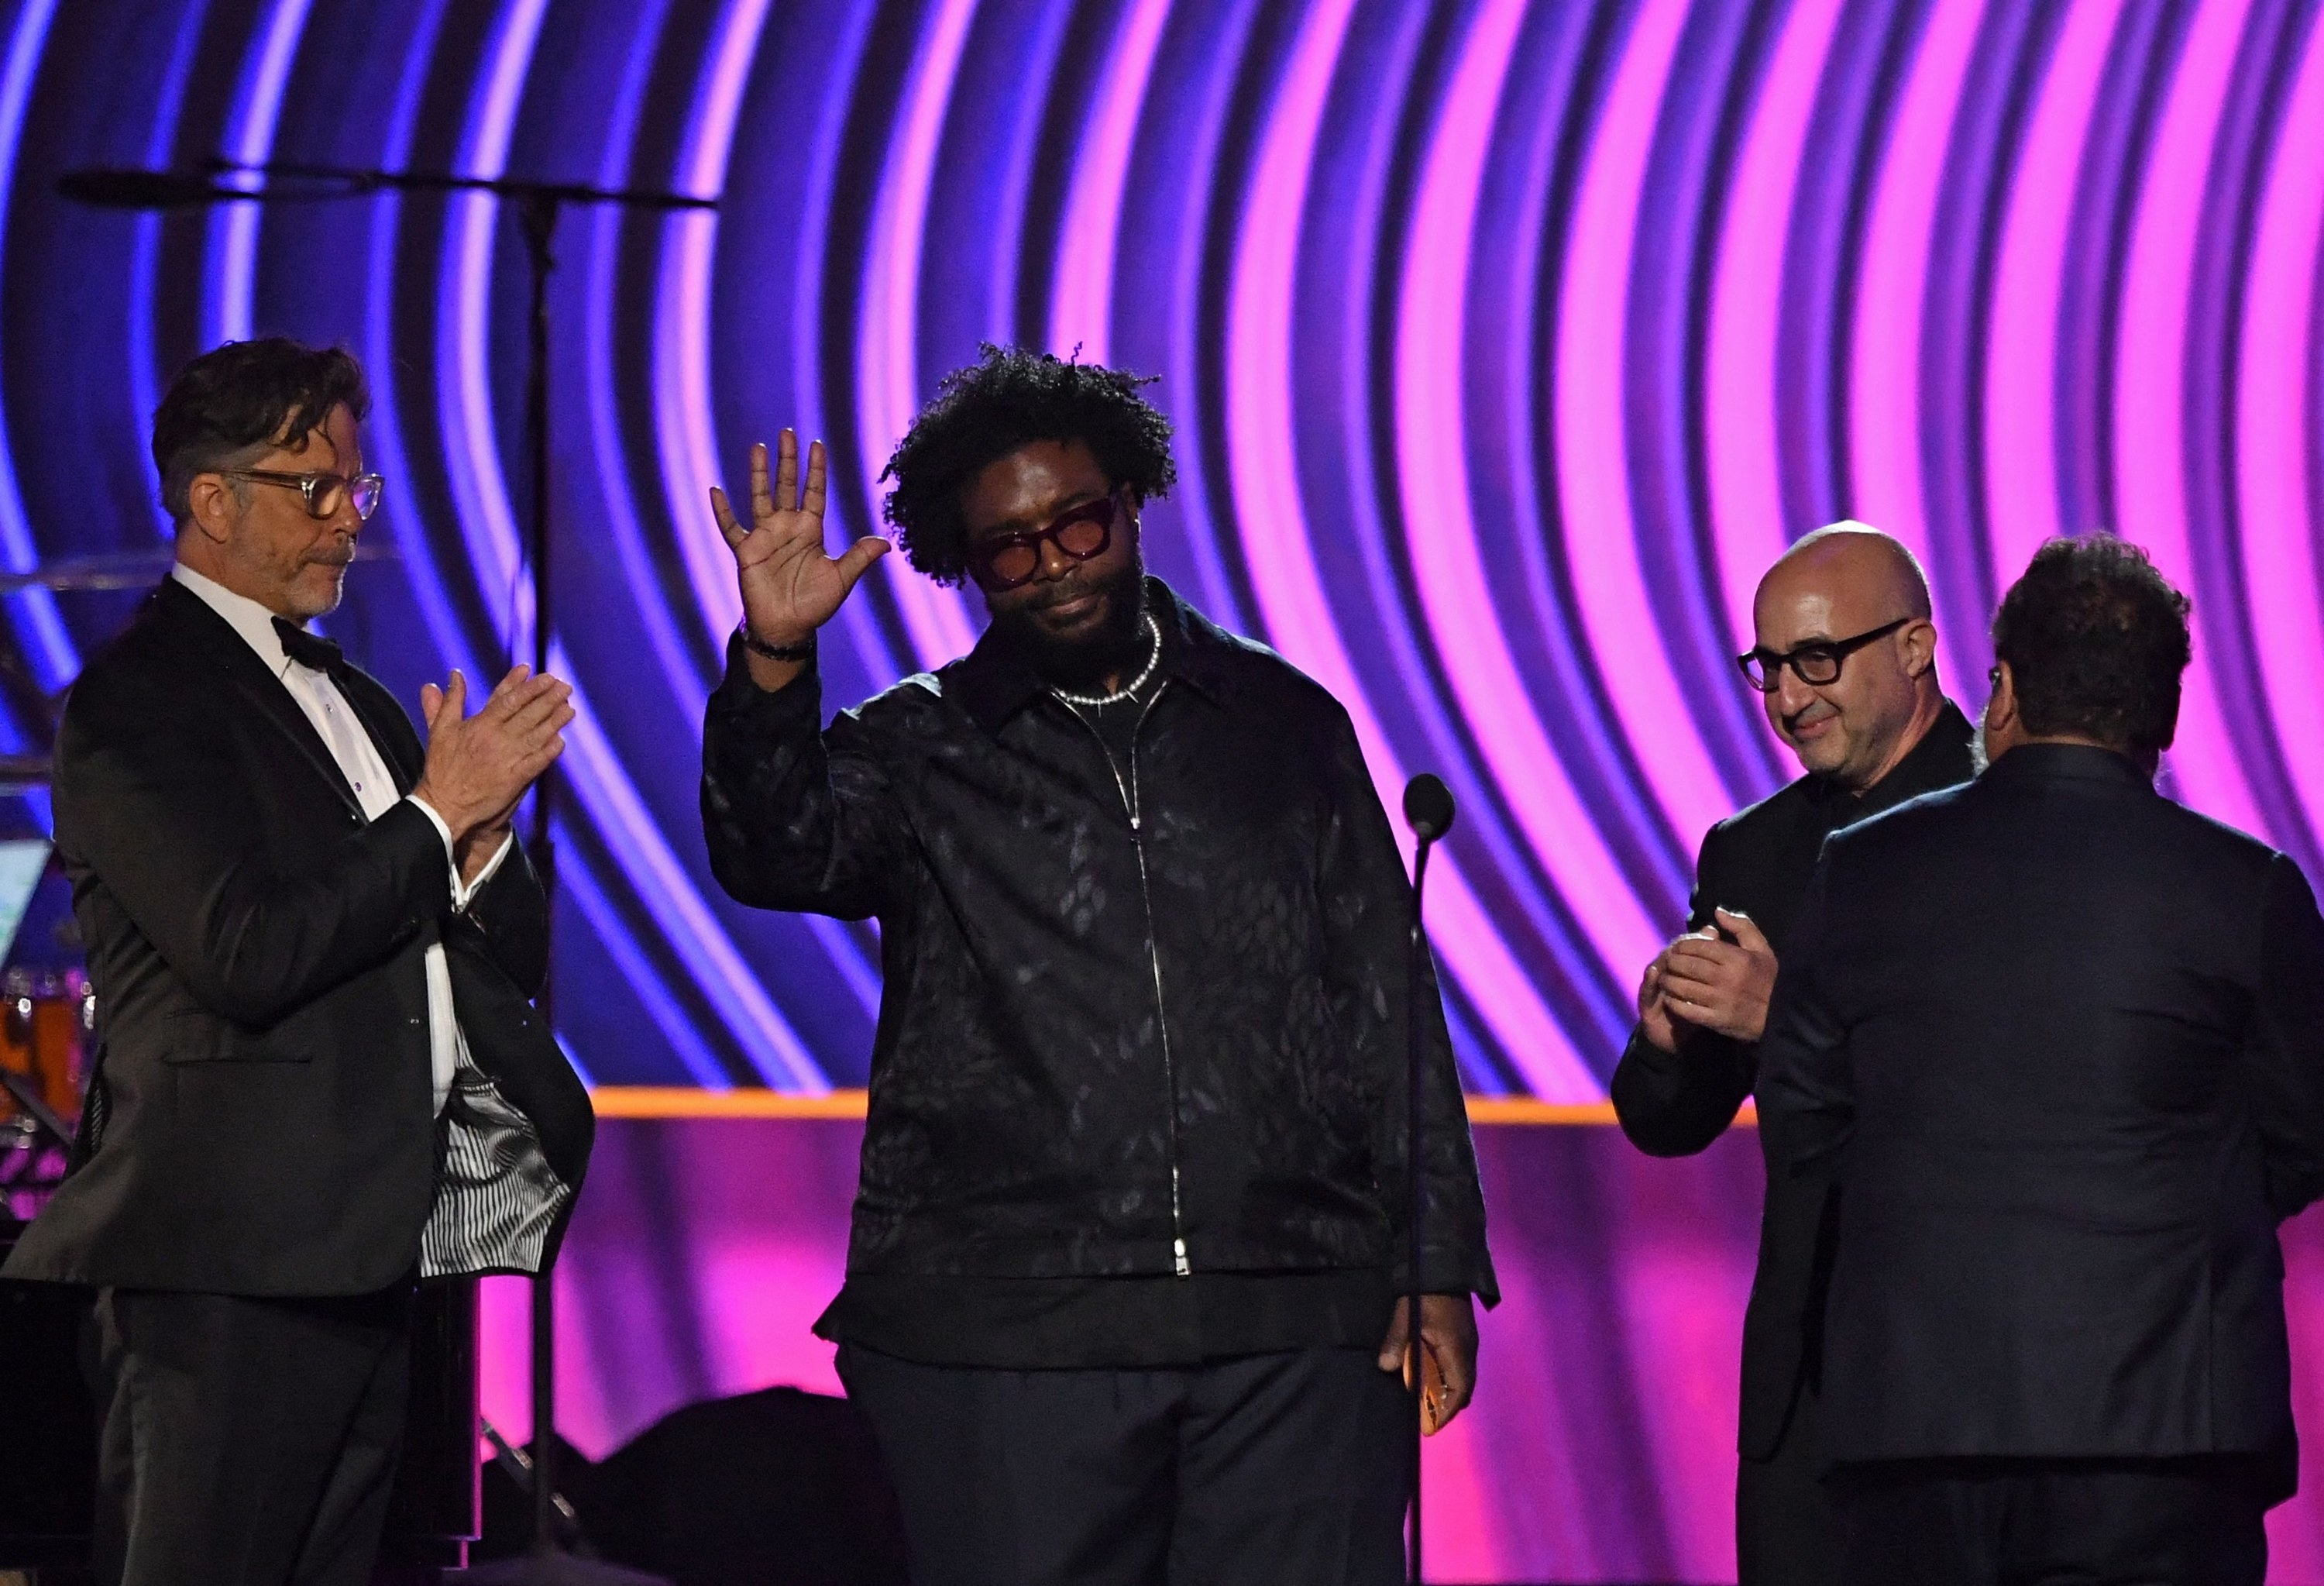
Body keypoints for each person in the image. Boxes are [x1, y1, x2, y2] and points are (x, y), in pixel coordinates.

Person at [700, 346, 1494, 1586]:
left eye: (1077, 524)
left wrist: (1436, 1263)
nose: (1054, 566)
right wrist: (774, 663)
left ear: (1131, 499)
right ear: (968, 567)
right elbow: (774, 850)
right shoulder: (920, 748)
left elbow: (1386, 1004)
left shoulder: (1283, 724)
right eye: (1010, 549)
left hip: (1292, 1324)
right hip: (1008, 1332)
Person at [0, 338, 593, 1586]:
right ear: (212, 502)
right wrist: (435, 817)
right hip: (226, 1268)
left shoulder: (364, 704)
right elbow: (248, 949)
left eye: (355, 491)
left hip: (374, 1255)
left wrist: (476, 847)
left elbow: (499, 964)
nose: (344, 522)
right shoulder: (138, 706)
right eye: (311, 488)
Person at [1757, 534, 2324, 1583]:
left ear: (2003, 691)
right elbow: (2301, 1139)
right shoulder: (2248, 891)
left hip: (1913, 1440)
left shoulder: (1862, 872)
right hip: (2165, 1443)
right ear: (2165, 712)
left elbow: (1804, 1126)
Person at [1610, 523, 1975, 1584]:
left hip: (1981, 1373)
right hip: (1807, 1385)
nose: (1787, 695)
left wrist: (1787, 1022)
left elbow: (2009, 1089)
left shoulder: (2014, 821)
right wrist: (1666, 1043)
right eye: (1767, 667)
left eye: (1818, 658)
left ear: (1916, 647)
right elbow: (1670, 1123)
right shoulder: (1753, 849)